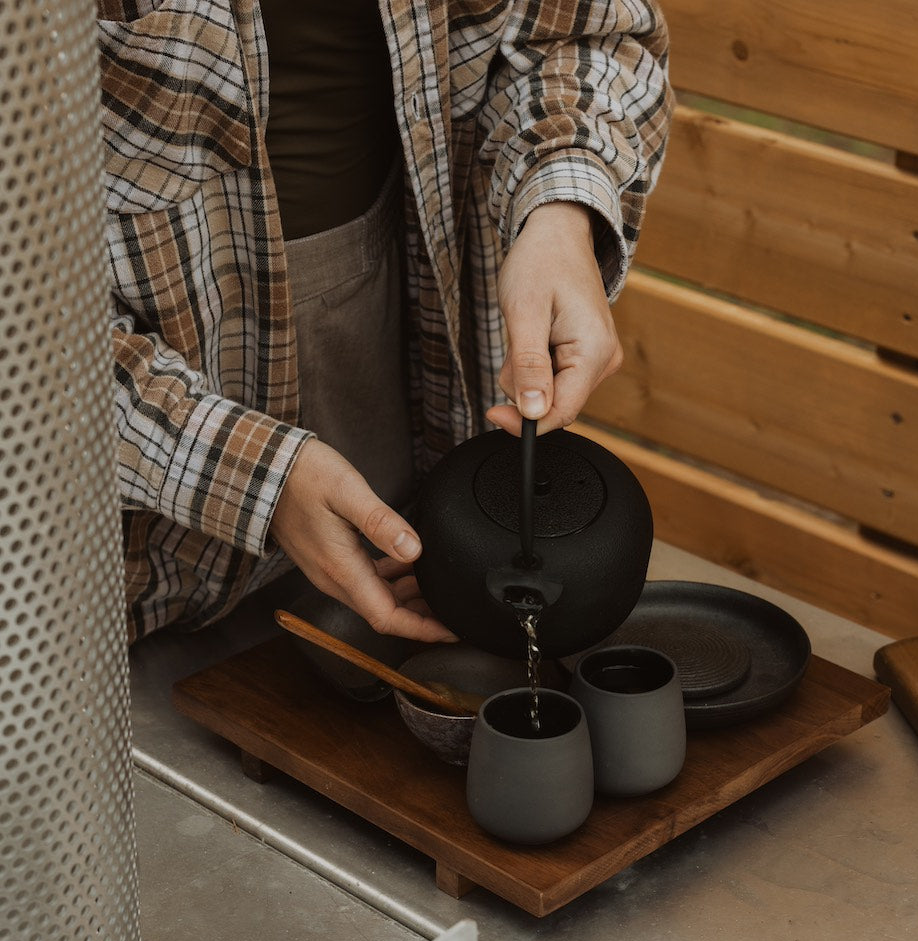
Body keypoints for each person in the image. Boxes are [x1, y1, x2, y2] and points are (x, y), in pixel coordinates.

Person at [98, 0, 673, 649]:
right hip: (123, 584)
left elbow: (580, 33)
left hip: (411, 438)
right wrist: (251, 476)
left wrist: (559, 214)